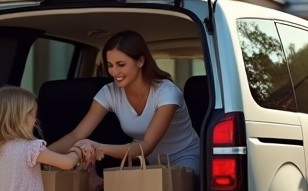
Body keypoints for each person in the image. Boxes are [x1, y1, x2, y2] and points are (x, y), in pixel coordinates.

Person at [50, 31, 201, 174]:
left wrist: (99, 147)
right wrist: (40, 154)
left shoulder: (167, 93)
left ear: (140, 61)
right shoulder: (109, 92)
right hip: (150, 163)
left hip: (185, 158)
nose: (114, 72)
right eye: (110, 65)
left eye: (121, 64)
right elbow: (77, 134)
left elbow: (146, 146)